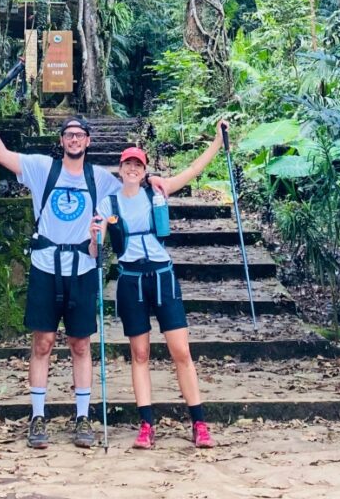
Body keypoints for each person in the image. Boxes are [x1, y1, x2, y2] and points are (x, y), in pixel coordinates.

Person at [0, 100, 135, 449]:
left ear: (88, 141)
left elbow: (131, 191)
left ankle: (82, 417)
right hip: (45, 267)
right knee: (43, 342)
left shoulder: (100, 179)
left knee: (80, 344)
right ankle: (37, 416)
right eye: (68, 135)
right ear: (61, 140)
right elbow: (1, 154)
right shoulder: (41, 169)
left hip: (83, 268)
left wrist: (154, 179)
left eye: (80, 135)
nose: (74, 139)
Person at [94, 121, 229, 450]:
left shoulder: (157, 190)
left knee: (181, 351)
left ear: (144, 171)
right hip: (130, 280)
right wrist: (93, 236)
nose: (132, 169)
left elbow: (193, 170)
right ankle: (146, 425)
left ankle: (199, 424)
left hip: (162, 277)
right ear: (120, 169)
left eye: (137, 165)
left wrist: (217, 141)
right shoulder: (108, 204)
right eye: (127, 164)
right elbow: (94, 247)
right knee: (139, 353)